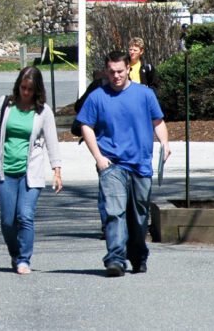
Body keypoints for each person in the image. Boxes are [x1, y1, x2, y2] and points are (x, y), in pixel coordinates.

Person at [76, 50, 171, 277]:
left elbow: (158, 121)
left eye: (120, 71)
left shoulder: (145, 95)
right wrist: (99, 157)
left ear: (129, 68)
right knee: (114, 212)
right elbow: (85, 125)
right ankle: (115, 260)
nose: (116, 76)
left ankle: (138, 256)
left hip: (140, 164)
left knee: (139, 217)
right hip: (112, 164)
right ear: (106, 71)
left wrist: (165, 143)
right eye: (111, 72)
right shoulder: (97, 97)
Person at [0, 67, 63, 274]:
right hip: (5, 170)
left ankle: (24, 258)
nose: (26, 92)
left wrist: (57, 171)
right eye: (23, 87)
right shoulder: (5, 104)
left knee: (25, 216)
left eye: (30, 89)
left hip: (30, 172)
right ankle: (15, 253)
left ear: (37, 90)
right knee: (8, 221)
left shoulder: (43, 111)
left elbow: (52, 142)